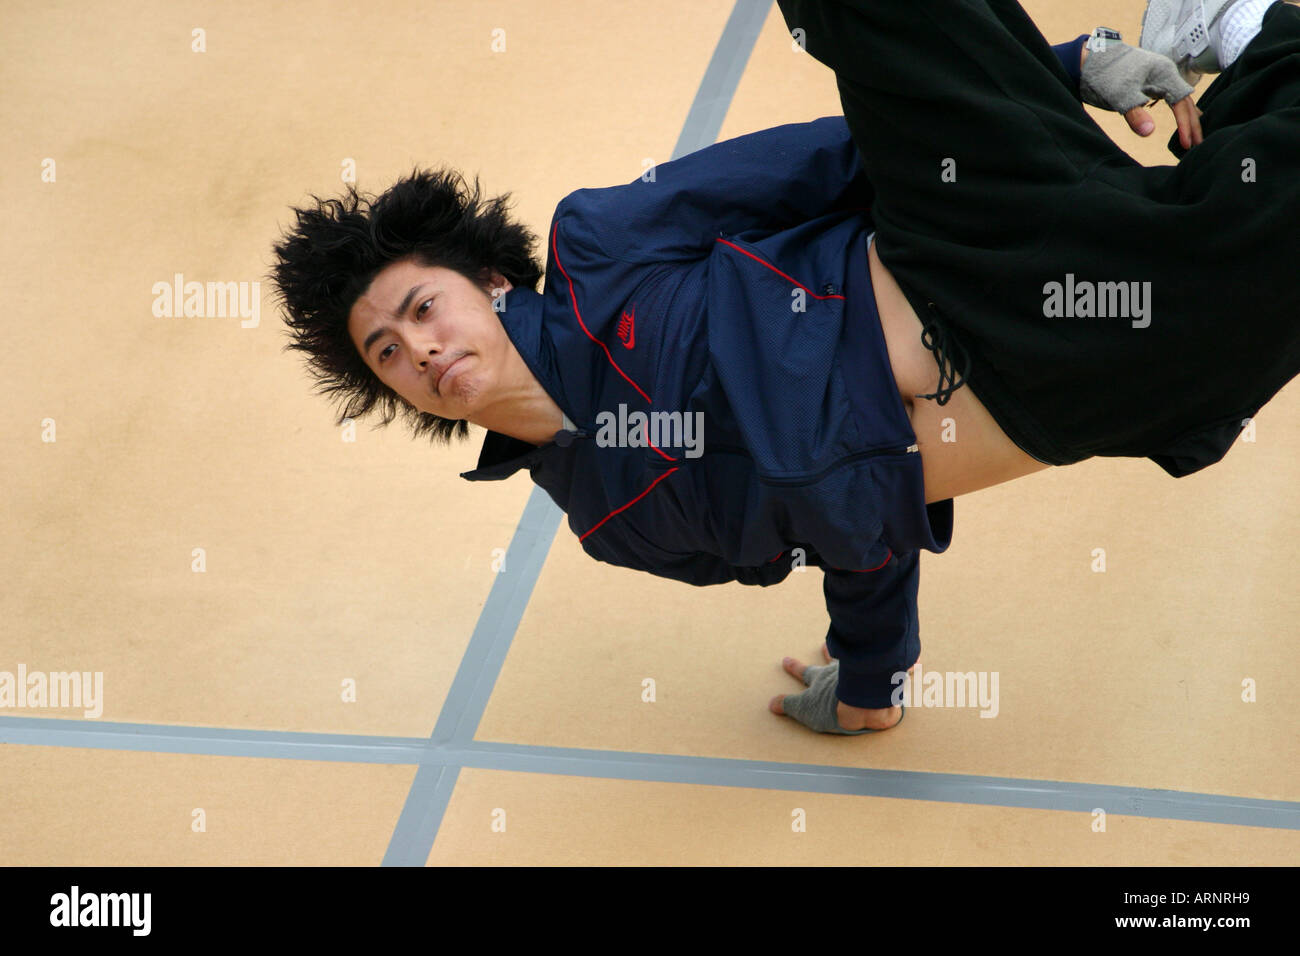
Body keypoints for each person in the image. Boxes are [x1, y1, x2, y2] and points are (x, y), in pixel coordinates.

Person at [269, 0, 1298, 736]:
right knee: (1259, 270)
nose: (422, 350)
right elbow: (855, 529)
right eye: (388, 354)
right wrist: (869, 674)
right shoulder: (611, 522)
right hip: (1048, 390)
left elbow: (817, 157)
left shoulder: (596, 247)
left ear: (490, 283)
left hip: (959, 246)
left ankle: (1204, 31)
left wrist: (1073, 66)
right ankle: (1254, 36)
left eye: (420, 309)